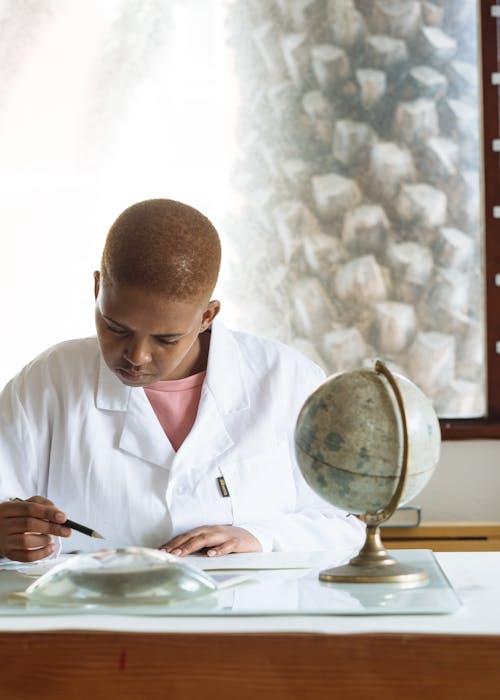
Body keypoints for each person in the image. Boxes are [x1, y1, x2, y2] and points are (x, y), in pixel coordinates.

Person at [0, 198, 365, 562]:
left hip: (249, 618)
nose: (137, 356)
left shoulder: (288, 380)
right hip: (97, 618)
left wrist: (261, 536)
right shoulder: (47, 382)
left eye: (166, 339)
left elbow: (346, 525)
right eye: (116, 327)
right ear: (97, 290)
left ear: (207, 315)